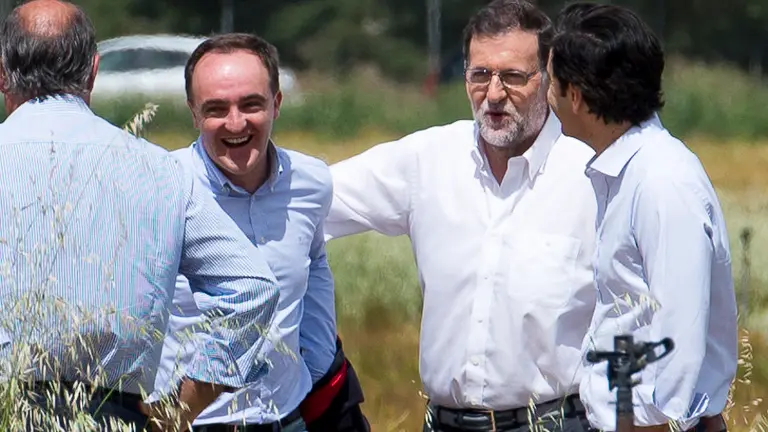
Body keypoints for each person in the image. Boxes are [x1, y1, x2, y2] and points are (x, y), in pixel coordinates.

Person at [0, 1, 280, 431]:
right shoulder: (161, 171)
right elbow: (252, 288)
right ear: (93, 72)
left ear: (2, 74)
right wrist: (180, 409)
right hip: (110, 415)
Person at [323, 1, 599, 431]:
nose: (494, 94)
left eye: (513, 77)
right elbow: (310, 201)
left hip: (554, 422)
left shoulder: (591, 176)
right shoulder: (427, 160)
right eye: (480, 75)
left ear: (549, 78)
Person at [151, 33, 370, 432]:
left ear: (277, 104)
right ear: (193, 113)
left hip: (288, 419)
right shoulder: (161, 189)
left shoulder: (310, 181)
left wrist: (317, 363)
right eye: (216, 109)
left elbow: (315, 265)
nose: (236, 123)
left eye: (251, 104)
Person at [546, 3, 738, 432]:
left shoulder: (661, 182)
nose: (547, 94)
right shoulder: (631, 171)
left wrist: (648, 423)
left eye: (551, 81)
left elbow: (679, 334)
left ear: (575, 96)